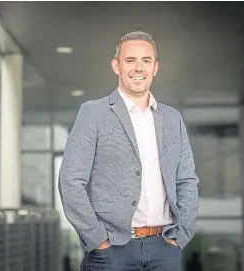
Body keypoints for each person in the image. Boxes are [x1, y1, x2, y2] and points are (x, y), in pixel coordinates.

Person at [59, 31, 199, 271]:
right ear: (116, 65)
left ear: (155, 67)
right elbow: (70, 181)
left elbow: (186, 180)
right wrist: (98, 240)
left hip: (164, 249)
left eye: (146, 61)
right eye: (130, 60)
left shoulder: (172, 119)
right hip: (112, 251)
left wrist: (179, 237)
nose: (139, 68)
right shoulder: (94, 113)